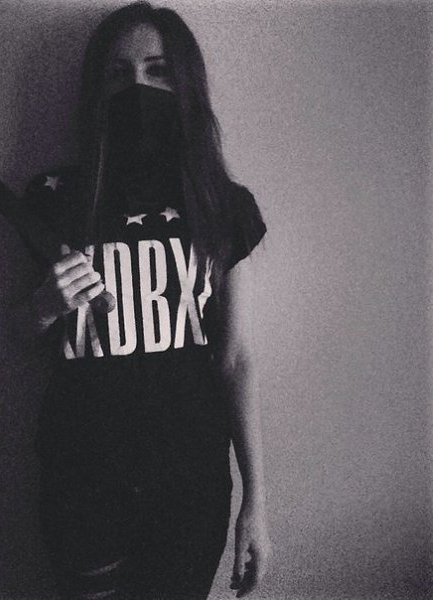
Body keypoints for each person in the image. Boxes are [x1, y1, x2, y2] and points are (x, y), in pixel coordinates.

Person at [14, 3, 271, 598]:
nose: (137, 88)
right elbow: (17, 335)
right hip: (81, 478)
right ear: (96, 89)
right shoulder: (56, 198)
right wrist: (44, 306)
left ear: (185, 84)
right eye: (118, 73)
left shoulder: (221, 203)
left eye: (157, 71)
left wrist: (257, 500)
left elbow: (235, 359)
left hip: (190, 482)